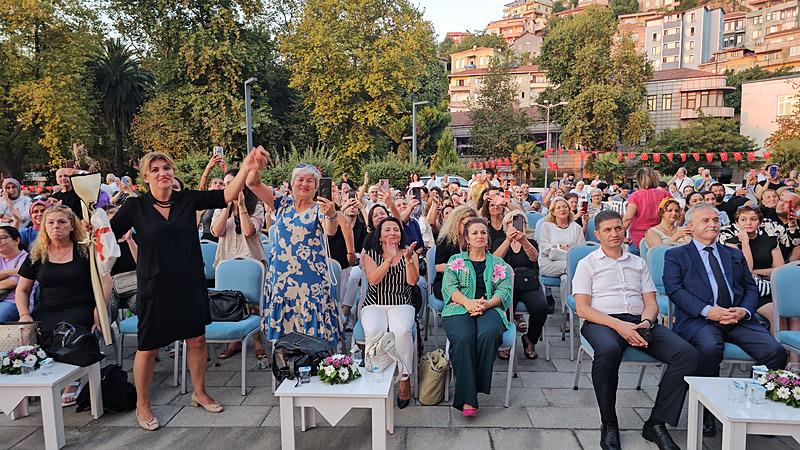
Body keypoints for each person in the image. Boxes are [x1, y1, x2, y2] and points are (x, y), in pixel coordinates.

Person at [107, 149, 267, 431]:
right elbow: (106, 232)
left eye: (166, 168)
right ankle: (142, 404)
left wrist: (245, 167)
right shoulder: (135, 207)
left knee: (196, 341)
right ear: (146, 177)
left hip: (190, 282)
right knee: (147, 347)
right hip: (154, 285)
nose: (162, 173)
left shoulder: (188, 199)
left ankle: (199, 392)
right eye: (155, 170)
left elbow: (226, 195)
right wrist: (88, 227)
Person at [574, 210, 698, 450]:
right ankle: (609, 423)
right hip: (603, 322)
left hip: (640, 321)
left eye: (618, 228)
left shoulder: (638, 262)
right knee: (609, 351)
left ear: (624, 230)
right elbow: (582, 308)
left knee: (687, 354)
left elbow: (651, 302)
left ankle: (656, 423)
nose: (614, 233)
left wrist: (645, 323)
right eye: (608, 230)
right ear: (597, 234)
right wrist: (620, 327)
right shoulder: (587, 264)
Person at [663, 203, 788, 437]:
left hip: (737, 317)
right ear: (691, 226)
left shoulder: (733, 253)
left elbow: (750, 288)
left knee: (775, 351)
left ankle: (759, 408)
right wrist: (708, 311)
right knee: (709, 348)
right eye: (705, 221)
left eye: (715, 220)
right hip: (699, 319)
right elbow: (675, 290)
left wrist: (744, 310)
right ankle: (707, 412)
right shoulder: (677, 255)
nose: (713, 224)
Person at [16, 206, 110, 406]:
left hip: (81, 308)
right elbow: (22, 289)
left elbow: (106, 281)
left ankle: (72, 379)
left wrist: (98, 312)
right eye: (50, 223)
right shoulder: (37, 255)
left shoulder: (85, 250)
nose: (56, 227)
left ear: (71, 226)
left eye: (61, 222)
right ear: (44, 227)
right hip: (47, 310)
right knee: (33, 333)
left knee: (68, 331)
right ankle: (37, 381)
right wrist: (24, 314)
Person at [246, 160, 344, 349]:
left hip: (311, 284)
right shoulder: (282, 203)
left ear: (316, 187)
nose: (304, 184)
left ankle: (315, 369)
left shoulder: (320, 209)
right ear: (292, 184)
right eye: (300, 179)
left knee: (314, 338)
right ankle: (286, 371)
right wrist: (257, 166)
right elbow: (252, 183)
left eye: (310, 181)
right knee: (284, 340)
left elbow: (330, 231)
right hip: (282, 282)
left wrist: (332, 215)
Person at [441, 218, 512, 416]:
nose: (480, 236)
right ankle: (469, 399)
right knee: (464, 337)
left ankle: (470, 388)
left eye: (483, 232)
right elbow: (449, 288)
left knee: (488, 333)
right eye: (475, 233)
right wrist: (468, 303)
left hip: (489, 307)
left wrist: (487, 304)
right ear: (467, 239)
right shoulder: (456, 260)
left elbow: (505, 290)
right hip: (459, 307)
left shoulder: (498, 263)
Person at [362, 217, 419, 409]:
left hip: (401, 302)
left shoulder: (409, 254)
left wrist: (408, 260)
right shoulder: (370, 255)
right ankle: (376, 376)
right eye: (387, 230)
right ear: (380, 236)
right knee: (373, 330)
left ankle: (404, 378)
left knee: (401, 331)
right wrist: (388, 259)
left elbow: (412, 282)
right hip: (374, 303)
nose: (392, 233)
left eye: (396, 229)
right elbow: (373, 280)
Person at [494, 210, 546, 359]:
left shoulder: (530, 242)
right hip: (506, 282)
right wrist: (508, 241)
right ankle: (505, 342)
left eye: (519, 222)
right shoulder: (499, 241)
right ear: (506, 225)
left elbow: (534, 258)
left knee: (541, 307)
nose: (515, 225)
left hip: (527, 281)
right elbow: (495, 260)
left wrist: (524, 241)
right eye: (511, 222)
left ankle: (530, 339)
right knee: (502, 306)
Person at [538, 197, 586, 302]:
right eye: (558, 208)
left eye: (565, 207)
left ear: (569, 210)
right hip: (549, 263)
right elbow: (544, 248)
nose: (562, 209)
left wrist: (565, 250)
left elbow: (581, 249)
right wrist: (560, 246)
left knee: (566, 279)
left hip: (568, 264)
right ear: (553, 212)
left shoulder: (576, 227)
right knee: (574, 267)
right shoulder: (546, 226)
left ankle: (567, 311)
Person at [432, 205, 479, 302]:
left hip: (471, 281)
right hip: (447, 281)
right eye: (466, 224)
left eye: (472, 223)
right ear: (456, 223)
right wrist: (462, 270)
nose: (469, 227)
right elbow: (438, 267)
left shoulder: (476, 239)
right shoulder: (445, 240)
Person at [623, 168, 672, 255]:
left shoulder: (635, 196)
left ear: (639, 180)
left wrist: (621, 234)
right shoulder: (665, 194)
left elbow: (628, 218)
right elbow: (680, 213)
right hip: (661, 237)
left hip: (638, 238)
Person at [0, 226, 30, 322]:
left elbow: (14, 282)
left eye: (3, 237)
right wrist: (11, 271)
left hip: (14, 301)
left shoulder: (26, 258)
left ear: (16, 240)